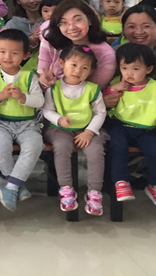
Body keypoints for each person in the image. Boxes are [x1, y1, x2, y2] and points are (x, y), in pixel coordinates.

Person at [0, 30, 45, 211]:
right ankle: (16, 184)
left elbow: (40, 101)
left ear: (25, 55)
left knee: (34, 146)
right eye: (2, 52)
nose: (8, 57)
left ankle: (11, 186)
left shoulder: (30, 76)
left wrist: (23, 97)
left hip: (28, 124)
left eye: (14, 53)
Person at [104, 43, 156, 207]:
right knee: (118, 146)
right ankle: (121, 182)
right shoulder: (116, 83)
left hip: (145, 130)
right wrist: (114, 89)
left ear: (148, 69)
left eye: (135, 69)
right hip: (119, 126)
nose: (129, 73)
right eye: (124, 68)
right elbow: (102, 99)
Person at [42, 45, 107, 216]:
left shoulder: (93, 89)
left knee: (95, 151)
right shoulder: (53, 88)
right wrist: (59, 119)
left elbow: (100, 113)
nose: (78, 71)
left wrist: (90, 132)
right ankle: (66, 188)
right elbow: (47, 110)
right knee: (61, 147)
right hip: (59, 129)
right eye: (74, 65)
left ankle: (94, 192)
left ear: (91, 71)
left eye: (85, 68)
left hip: (87, 130)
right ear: (62, 63)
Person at [38, 0, 117, 89]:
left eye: (78, 20)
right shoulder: (49, 42)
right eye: (63, 22)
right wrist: (45, 82)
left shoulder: (106, 54)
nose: (71, 27)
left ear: (89, 20)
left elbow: (94, 90)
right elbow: (43, 76)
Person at [113, 4, 156, 83]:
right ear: (123, 30)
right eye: (131, 27)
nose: (139, 32)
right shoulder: (114, 53)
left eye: (146, 26)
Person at [0, 0, 48, 73]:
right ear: (17, 0)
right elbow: (0, 46)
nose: (31, 0)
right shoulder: (13, 24)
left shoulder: (55, 19)